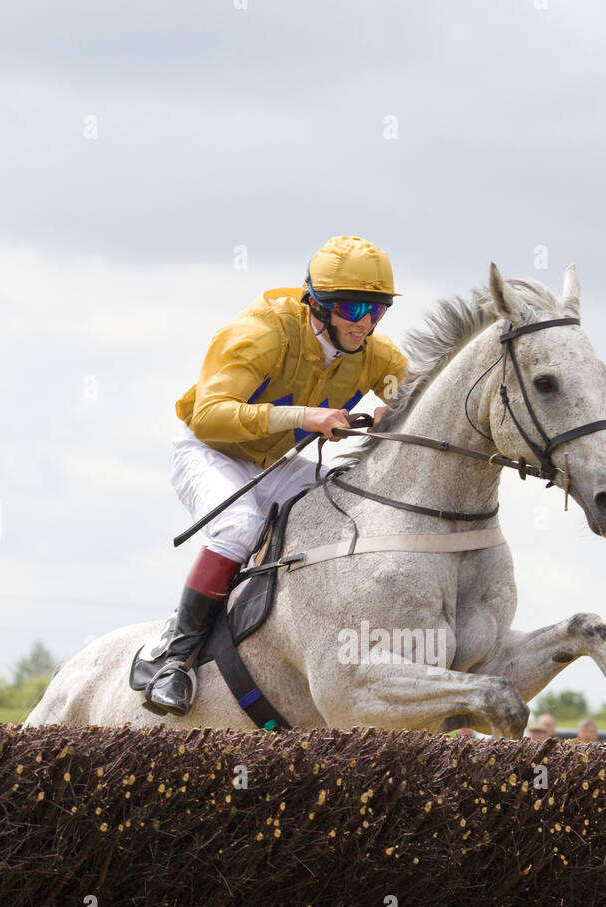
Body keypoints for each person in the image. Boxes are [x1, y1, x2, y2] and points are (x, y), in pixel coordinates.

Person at [144, 235, 409, 715]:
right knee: (238, 526)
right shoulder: (261, 333)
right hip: (209, 451)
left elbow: (412, 399)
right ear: (319, 304)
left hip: (273, 465)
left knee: (348, 508)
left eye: (379, 310)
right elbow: (209, 414)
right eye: (354, 309)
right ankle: (175, 659)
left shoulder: (375, 355)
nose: (366, 323)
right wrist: (305, 417)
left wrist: (402, 412)